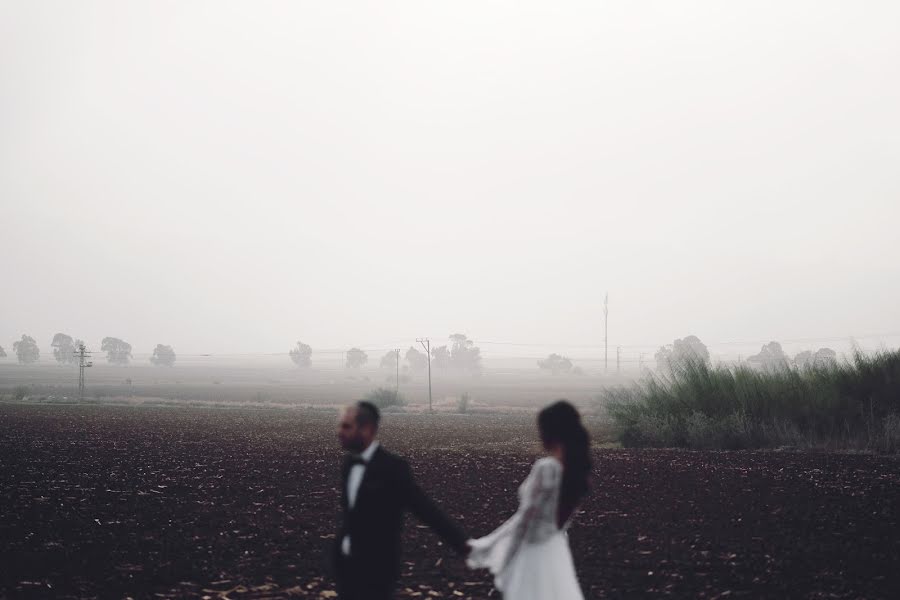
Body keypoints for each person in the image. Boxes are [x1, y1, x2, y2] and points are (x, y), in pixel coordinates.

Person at [334, 401, 469, 600]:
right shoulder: (349, 464)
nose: (339, 432)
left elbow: (424, 508)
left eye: (346, 426)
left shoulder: (393, 468)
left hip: (377, 570)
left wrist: (462, 544)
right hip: (346, 567)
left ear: (367, 429)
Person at [466, 400, 591, 599]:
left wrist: (500, 554)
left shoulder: (547, 468)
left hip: (532, 553)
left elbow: (525, 520)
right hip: (555, 552)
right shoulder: (576, 473)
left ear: (550, 432)